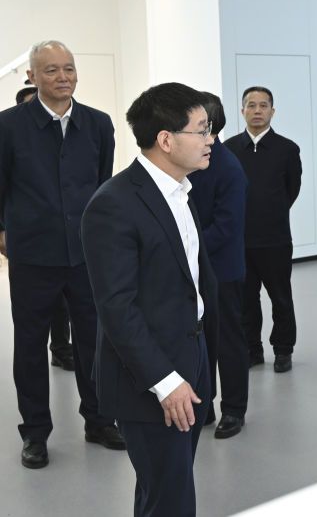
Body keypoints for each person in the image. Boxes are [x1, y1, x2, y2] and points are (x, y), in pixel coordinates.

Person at [81, 82, 218, 516]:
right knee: (171, 499)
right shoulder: (114, 204)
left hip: (191, 355)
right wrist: (165, 381)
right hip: (151, 379)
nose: (211, 139)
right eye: (202, 129)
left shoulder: (180, 191)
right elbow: (116, 308)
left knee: (163, 493)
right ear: (166, 140)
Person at [0, 41, 124, 470]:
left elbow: (102, 184)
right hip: (33, 254)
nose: (63, 77)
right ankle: (35, 433)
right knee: (30, 346)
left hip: (86, 254)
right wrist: (3, 232)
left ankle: (99, 420)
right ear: (32, 77)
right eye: (51, 70)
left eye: (68, 68)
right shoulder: (8, 126)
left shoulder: (98, 124)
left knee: (94, 341)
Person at [224, 87, 301, 373]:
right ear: (242, 110)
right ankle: (252, 349)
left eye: (263, 105)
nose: (257, 110)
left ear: (272, 111)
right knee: (246, 299)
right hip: (240, 240)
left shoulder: (287, 149)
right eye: (251, 105)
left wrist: (272, 212)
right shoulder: (229, 149)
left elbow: (292, 189)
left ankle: (283, 350)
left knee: (281, 298)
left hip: (275, 239)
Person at [188, 93, 249, 439]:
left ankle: (234, 409)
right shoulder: (192, 161)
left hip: (221, 270)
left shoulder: (227, 168)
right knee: (201, 341)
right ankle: (205, 404)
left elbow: (226, 227)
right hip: (194, 268)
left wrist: (186, 248)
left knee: (228, 341)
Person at [14, 85, 74, 372]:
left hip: (74, 246)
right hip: (32, 246)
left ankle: (61, 349)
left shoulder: (90, 126)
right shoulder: (10, 130)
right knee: (31, 332)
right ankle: (34, 412)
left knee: (70, 311)